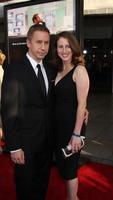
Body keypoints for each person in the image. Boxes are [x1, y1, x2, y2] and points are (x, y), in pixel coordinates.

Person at [1, 24, 56, 200]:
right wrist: (14, 146)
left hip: (46, 143)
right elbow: (9, 110)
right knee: (25, 187)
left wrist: (81, 108)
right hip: (25, 145)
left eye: (47, 43)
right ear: (28, 43)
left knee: (42, 185)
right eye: (39, 42)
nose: (43, 47)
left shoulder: (50, 69)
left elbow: (54, 102)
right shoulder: (14, 70)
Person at [53, 31, 90, 200]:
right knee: (64, 167)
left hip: (72, 129)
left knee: (70, 169)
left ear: (74, 48)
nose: (64, 50)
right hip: (59, 127)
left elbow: (82, 104)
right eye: (60, 46)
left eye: (67, 46)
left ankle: (72, 198)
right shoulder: (59, 69)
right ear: (56, 50)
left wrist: (76, 134)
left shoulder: (79, 70)